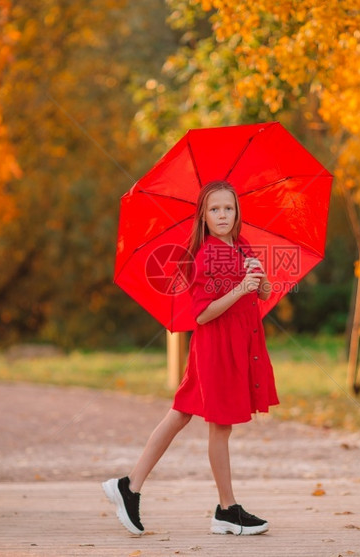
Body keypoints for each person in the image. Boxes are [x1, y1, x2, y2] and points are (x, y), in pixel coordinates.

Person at [102, 180, 279, 536]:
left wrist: (261, 286)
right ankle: (226, 509)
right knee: (219, 424)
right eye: (214, 209)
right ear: (203, 216)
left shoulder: (242, 247)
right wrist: (241, 288)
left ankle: (130, 485)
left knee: (181, 414)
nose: (223, 215)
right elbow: (201, 314)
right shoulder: (203, 256)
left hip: (238, 343)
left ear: (237, 211)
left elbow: (253, 296)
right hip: (215, 348)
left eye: (228, 208)